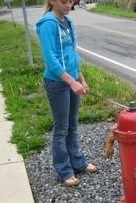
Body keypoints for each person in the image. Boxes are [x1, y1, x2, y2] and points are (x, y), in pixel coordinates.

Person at [36, 0, 97, 186]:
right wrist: (70, 82)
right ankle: (64, 171)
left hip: (72, 81)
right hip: (57, 84)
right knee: (61, 128)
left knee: (72, 125)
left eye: (71, 1)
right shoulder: (48, 24)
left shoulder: (69, 23)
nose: (68, 4)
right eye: (64, 1)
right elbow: (51, 59)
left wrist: (80, 78)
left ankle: (78, 163)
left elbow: (71, 54)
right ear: (52, 1)